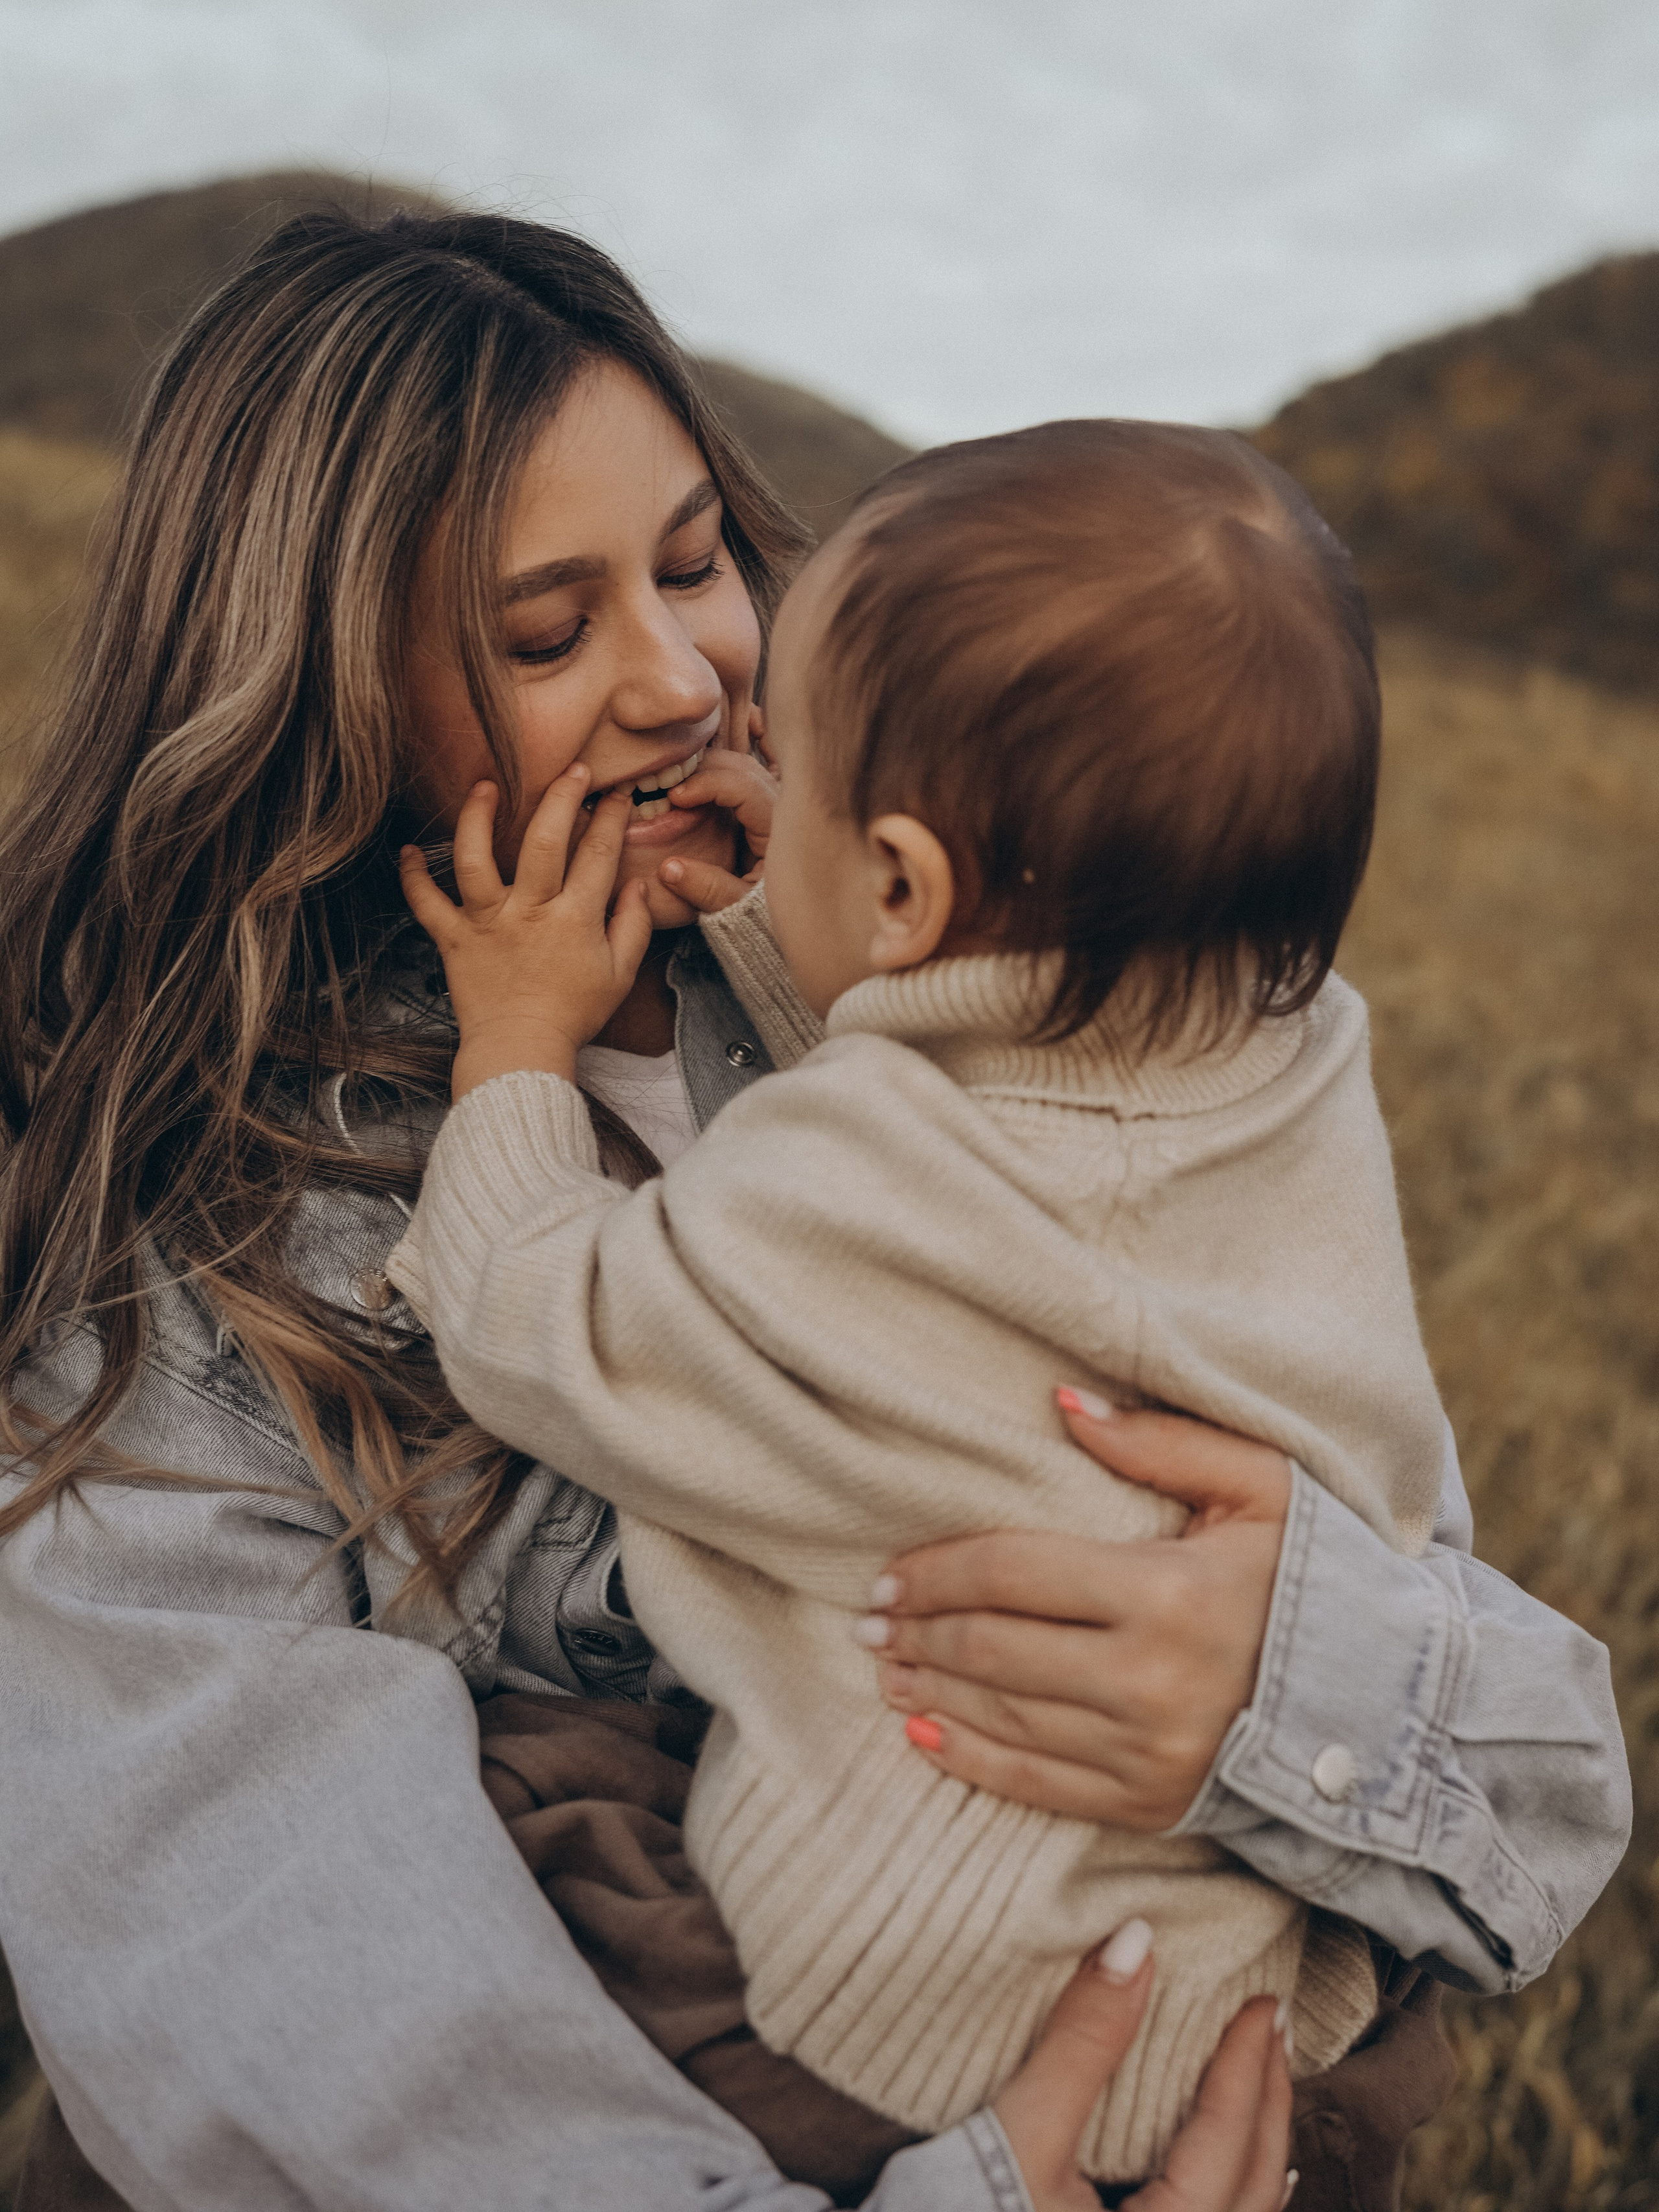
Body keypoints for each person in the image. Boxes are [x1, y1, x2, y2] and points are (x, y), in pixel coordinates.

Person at [0, 207, 1627, 2212]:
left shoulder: (1009, 1023)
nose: (682, 678)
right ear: (320, 695)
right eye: (543, 632)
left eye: (696, 565)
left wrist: (1268, 1681)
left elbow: (1547, 1789)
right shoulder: (183, 1265)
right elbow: (285, 1969)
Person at [390, 417, 1454, 2183]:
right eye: (554, 628)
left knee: (521, 1797)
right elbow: (1002, 1073)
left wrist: (512, 1045)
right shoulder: (1303, 1078)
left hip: (922, 1999)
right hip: (1267, 1984)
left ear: (901, 886)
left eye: (787, 775)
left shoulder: (856, 1191)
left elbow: (545, 1323)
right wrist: (786, 915)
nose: (706, 727)